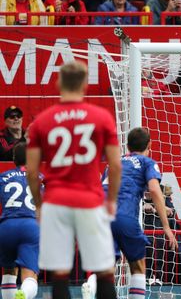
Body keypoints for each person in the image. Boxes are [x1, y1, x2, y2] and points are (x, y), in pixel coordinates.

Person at [25, 60, 122, 299]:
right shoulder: (101, 117)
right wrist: (111, 200)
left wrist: (39, 204)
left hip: (56, 202)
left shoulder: (43, 121)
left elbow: (31, 171)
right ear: (85, 84)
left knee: (60, 273)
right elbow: (116, 165)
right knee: (104, 270)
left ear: (58, 83)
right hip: (90, 199)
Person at [81, 127, 178, 299]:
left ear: (127, 146)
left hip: (101, 216)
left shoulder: (113, 163)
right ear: (149, 145)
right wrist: (166, 227)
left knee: (106, 267)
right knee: (138, 266)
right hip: (124, 215)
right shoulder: (147, 162)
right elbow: (155, 190)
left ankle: (91, 284)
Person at [0, 142, 38, 299]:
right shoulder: (40, 177)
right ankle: (23, 294)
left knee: (8, 271)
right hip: (30, 225)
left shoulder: (3, 177)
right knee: (30, 274)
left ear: (14, 159)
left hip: (6, 226)